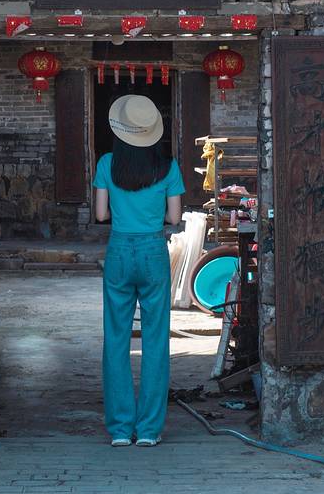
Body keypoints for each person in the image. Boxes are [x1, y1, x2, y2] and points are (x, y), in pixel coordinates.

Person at [93, 94, 185, 448]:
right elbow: (174, 218)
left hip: (119, 250)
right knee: (155, 339)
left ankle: (119, 429)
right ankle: (148, 429)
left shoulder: (107, 163)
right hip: (152, 251)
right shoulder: (168, 166)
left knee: (116, 339)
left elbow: (101, 214)